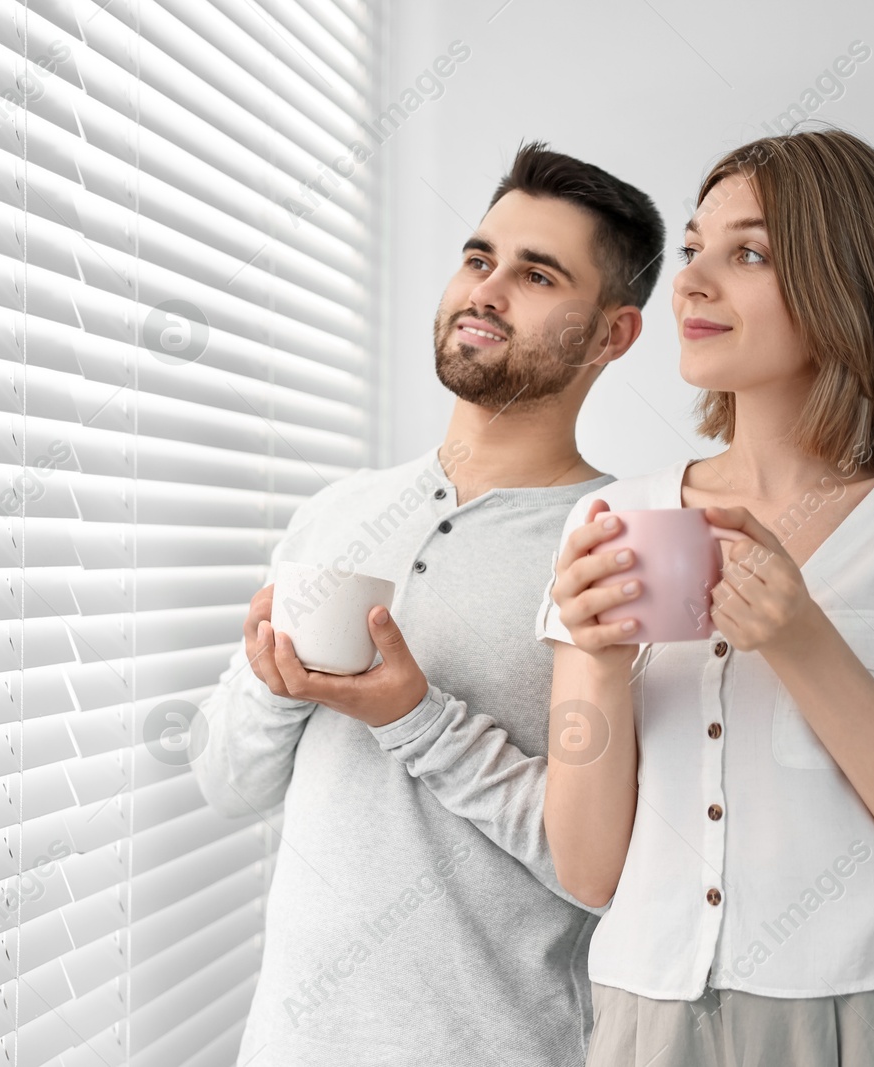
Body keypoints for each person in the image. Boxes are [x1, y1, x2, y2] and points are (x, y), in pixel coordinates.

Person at [386, 128, 874, 1066]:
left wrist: (803, 642)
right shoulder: (616, 516)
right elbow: (588, 870)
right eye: (696, 248)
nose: (693, 281)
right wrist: (592, 657)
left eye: (747, 253)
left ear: (848, 279)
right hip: (651, 1026)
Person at [191, 142, 666, 1065]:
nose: (487, 291)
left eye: (536, 274)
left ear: (613, 335)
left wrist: (416, 718)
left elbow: (602, 869)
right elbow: (226, 782)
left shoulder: (621, 547)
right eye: (480, 258)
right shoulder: (339, 512)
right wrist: (274, 682)